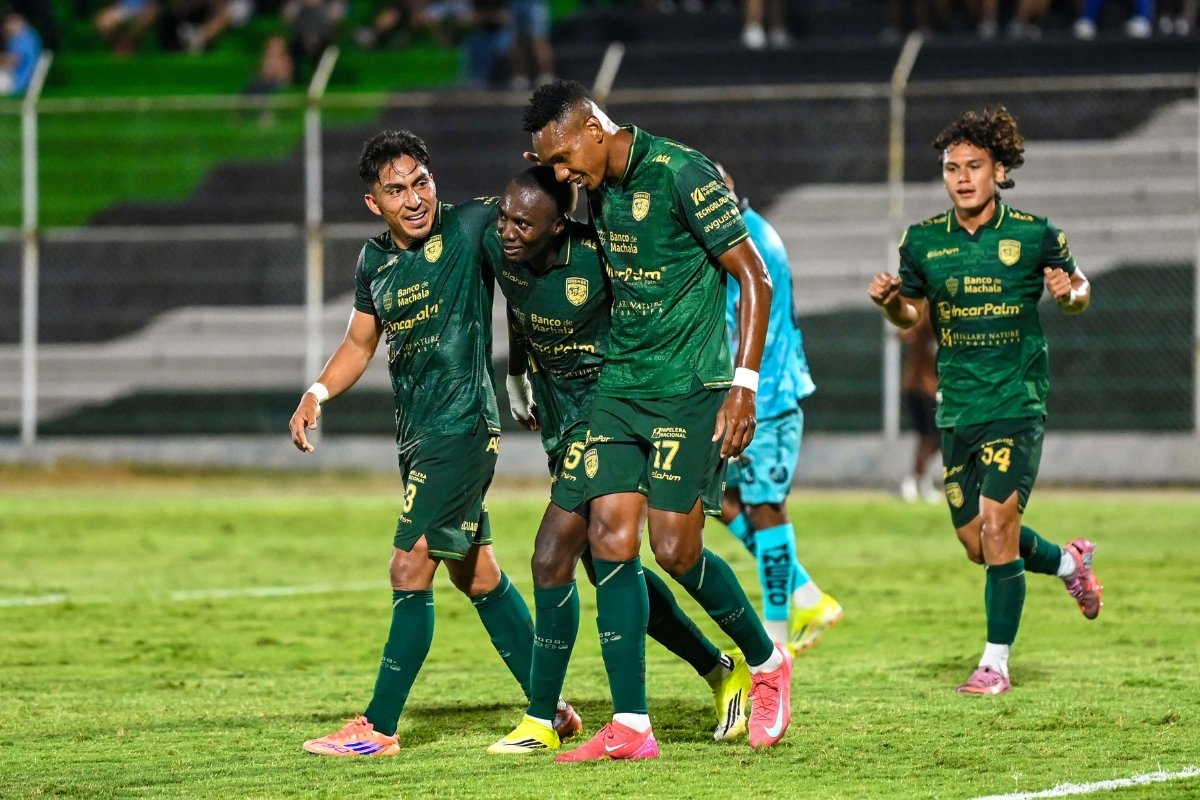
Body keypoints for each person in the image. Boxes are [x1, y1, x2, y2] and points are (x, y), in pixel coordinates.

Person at [523, 79, 793, 760]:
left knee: (675, 551)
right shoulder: (596, 187)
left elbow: (754, 277)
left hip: (688, 388)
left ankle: (767, 663)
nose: (561, 175)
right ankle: (632, 725)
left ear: (592, 128)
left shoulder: (681, 172)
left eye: (563, 159)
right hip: (621, 387)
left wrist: (744, 386)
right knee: (609, 539)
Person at [288, 129, 579, 756]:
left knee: (408, 565)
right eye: (396, 190)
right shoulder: (373, 261)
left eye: (420, 182)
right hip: (419, 436)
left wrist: (561, 170)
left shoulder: (471, 225)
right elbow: (359, 343)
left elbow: (538, 230)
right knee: (476, 574)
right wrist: (316, 393)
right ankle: (551, 708)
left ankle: (378, 727)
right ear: (374, 203)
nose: (414, 198)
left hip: (462, 427)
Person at [482, 167, 752, 755]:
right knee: (605, 564)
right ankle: (718, 668)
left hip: (608, 409)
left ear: (559, 225)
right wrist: (517, 374)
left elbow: (655, 309)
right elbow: (519, 303)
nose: (507, 230)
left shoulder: (598, 257)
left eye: (523, 223)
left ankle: (544, 718)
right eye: (504, 218)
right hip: (559, 416)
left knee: (552, 553)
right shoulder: (503, 245)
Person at [867, 107, 1104, 696]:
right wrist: (892, 302)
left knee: (999, 529)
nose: (962, 178)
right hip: (957, 407)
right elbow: (910, 316)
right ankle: (1070, 563)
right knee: (978, 543)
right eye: (952, 168)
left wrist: (1068, 293)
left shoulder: (1035, 233)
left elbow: (1080, 289)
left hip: (1016, 401)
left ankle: (995, 665)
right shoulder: (922, 241)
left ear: (999, 170)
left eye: (974, 166)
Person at [714, 164, 843, 654]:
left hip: (766, 397)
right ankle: (806, 594)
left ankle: (776, 637)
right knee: (715, 497)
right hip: (744, 395)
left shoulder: (749, 240)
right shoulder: (736, 232)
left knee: (766, 508)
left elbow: (750, 321)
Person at [898, 312, 942, 503]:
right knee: (930, 436)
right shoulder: (926, 319)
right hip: (921, 388)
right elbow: (905, 331)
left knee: (936, 437)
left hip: (934, 388)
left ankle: (920, 479)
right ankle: (914, 481)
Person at [1, 12, 40, 97]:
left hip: (17, 82)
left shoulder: (23, 38)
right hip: (18, 80)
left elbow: (13, 61)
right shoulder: (29, 36)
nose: (6, 27)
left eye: (9, 23)